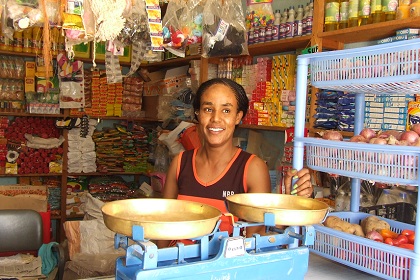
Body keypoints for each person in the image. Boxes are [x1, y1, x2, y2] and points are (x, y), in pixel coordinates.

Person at [160, 78, 313, 247]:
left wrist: (292, 203)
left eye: (226, 110)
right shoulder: (180, 163)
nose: (216, 119)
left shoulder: (252, 169)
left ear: (238, 116)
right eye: (208, 109)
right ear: (197, 113)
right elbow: (163, 228)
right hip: (176, 266)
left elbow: (256, 239)